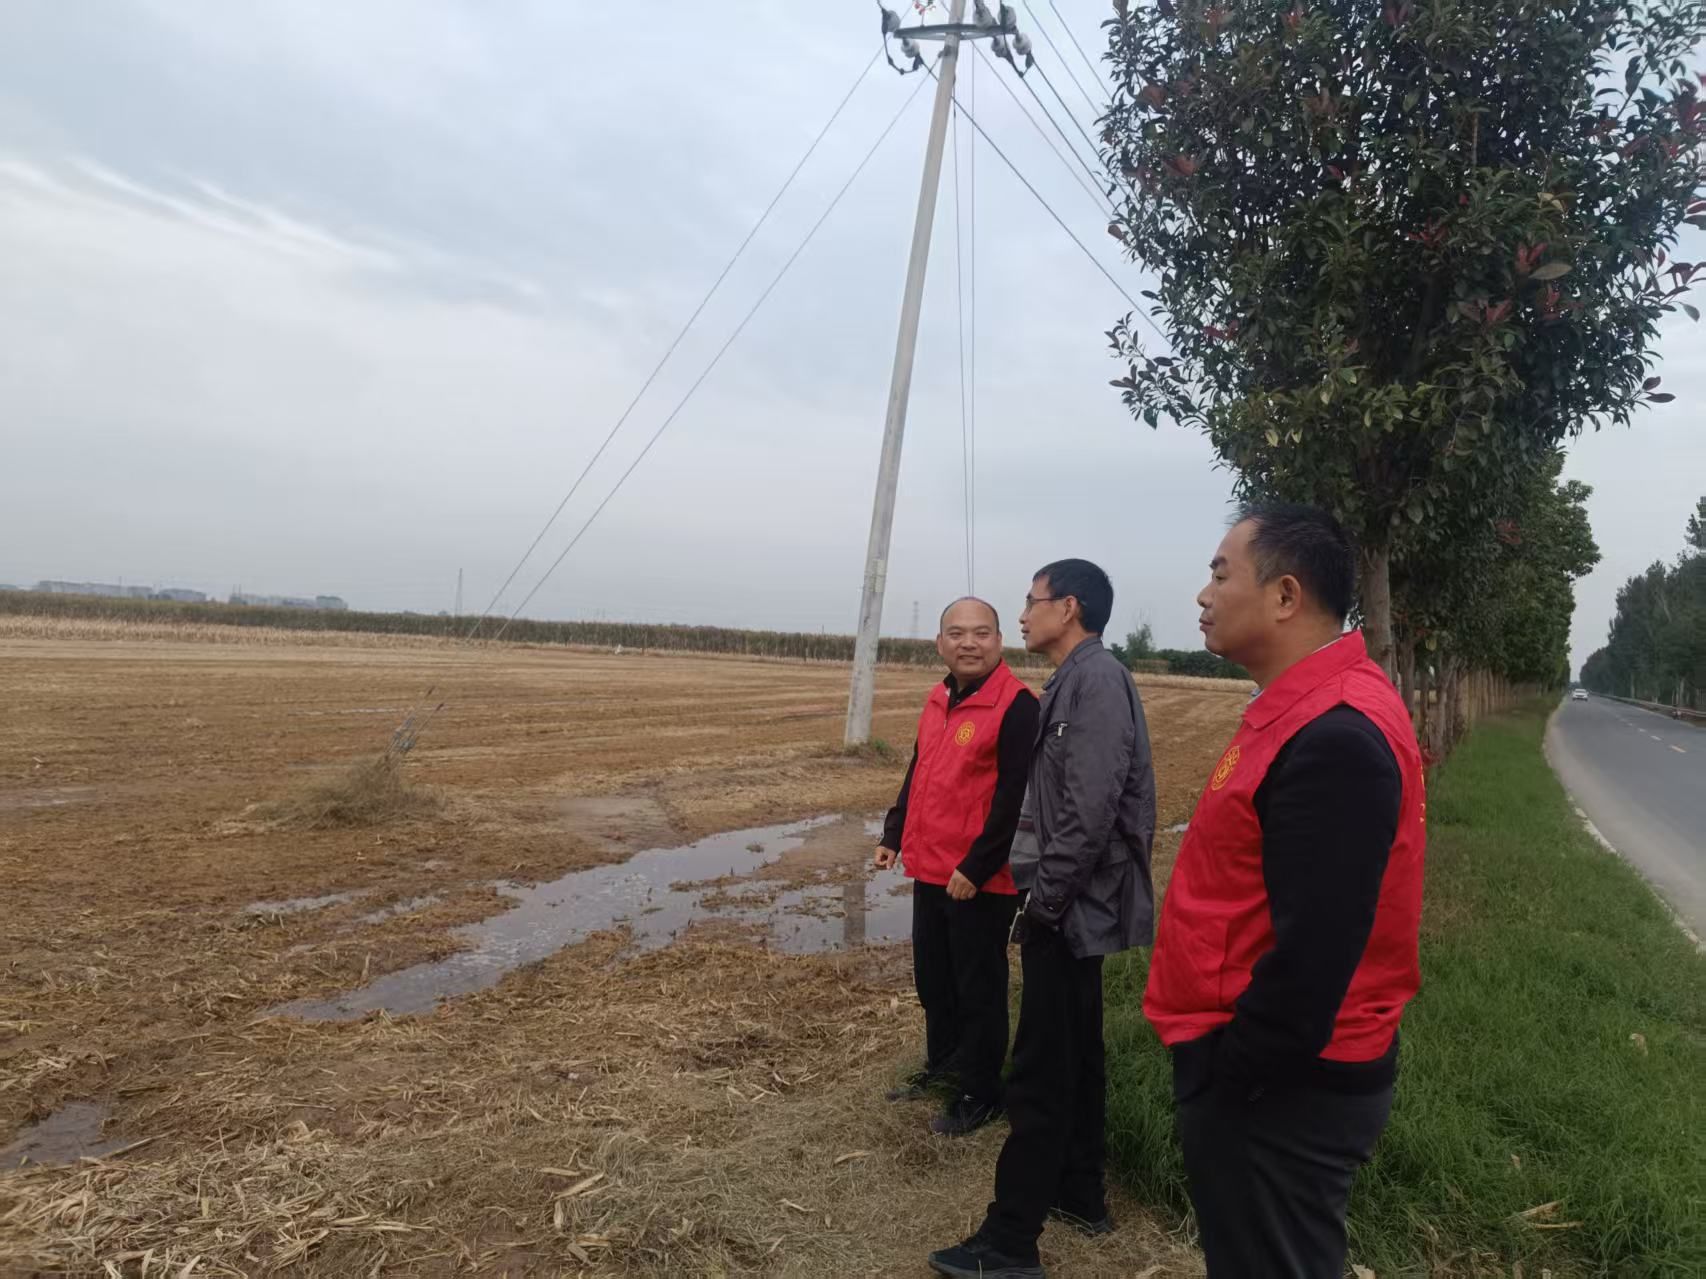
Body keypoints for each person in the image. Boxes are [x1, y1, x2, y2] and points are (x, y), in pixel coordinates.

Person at [1145, 503, 1426, 1277]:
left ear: (1285, 595)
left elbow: (1316, 956)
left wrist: (1231, 1075)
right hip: (1277, 1069)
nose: (1203, 594)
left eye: (1220, 573)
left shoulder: (1335, 735)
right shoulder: (1305, 709)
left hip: (1284, 1086)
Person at [929, 559, 1156, 1279]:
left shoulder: (1095, 682)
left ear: (1070, 607)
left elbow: (1087, 811)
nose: (1022, 616)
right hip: (1070, 906)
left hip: (1068, 909)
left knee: (1038, 1069)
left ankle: (1009, 1241)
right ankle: (1079, 1194)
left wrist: (1043, 905)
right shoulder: (1073, 680)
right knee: (1076, 1053)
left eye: (1031, 602)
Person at [874, 597, 1040, 1136]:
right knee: (934, 979)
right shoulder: (939, 697)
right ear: (940, 643)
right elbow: (920, 768)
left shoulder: (1017, 706)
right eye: (957, 633)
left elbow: (1017, 797)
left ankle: (980, 1093)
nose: (969, 643)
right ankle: (944, 1068)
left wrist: (978, 865)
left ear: (1000, 641)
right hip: (931, 868)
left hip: (980, 880)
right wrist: (894, 832)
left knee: (978, 989)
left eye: (982, 633)